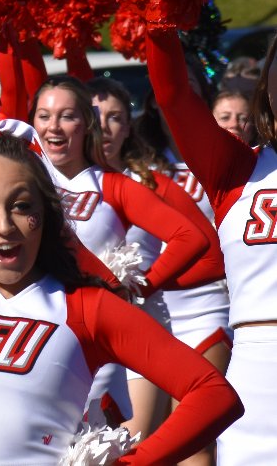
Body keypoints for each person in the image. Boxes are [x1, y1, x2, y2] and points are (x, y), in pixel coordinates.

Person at [0, 53, 241, 463]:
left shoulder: (86, 308)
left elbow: (215, 395)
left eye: (22, 206)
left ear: (45, 215)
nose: (5, 226)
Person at [29, 76, 213, 428]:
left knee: (110, 451)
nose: (54, 126)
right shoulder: (23, 182)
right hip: (40, 337)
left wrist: (137, 289)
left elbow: (189, 236)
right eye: (44, 115)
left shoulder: (112, 185)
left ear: (86, 123)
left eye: (67, 116)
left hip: (96, 340)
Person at [147, 28, 277, 465]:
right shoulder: (237, 168)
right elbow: (172, 95)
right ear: (266, 83)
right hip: (253, 383)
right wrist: (157, 12)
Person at [85, 77, 230, 459]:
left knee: (134, 441)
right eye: (95, 116)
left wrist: (140, 286)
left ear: (129, 126)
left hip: (144, 323)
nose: (104, 127)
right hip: (78, 327)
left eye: (116, 117)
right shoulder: (51, 183)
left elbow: (205, 247)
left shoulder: (146, 180)